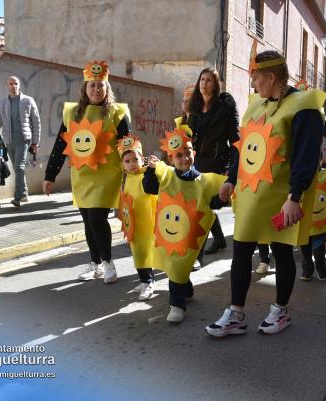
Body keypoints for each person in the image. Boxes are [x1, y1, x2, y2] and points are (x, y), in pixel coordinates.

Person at [205, 46, 326, 337]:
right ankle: (236, 314)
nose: (252, 84)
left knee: (282, 252)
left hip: (283, 198)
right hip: (251, 195)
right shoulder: (256, 104)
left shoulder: (304, 106)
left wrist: (295, 197)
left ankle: (281, 309)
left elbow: (306, 155)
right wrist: (231, 178)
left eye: (255, 77)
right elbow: (245, 148)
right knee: (241, 249)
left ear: (271, 76)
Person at [43, 60, 130, 284]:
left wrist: (134, 173)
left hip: (107, 175)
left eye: (101, 85)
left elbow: (127, 145)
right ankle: (96, 263)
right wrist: (50, 176)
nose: (96, 89)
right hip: (82, 176)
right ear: (85, 88)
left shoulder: (117, 113)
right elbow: (60, 146)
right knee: (87, 222)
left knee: (97, 219)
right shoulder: (72, 113)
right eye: (92, 85)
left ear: (107, 88)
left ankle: (109, 262)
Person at [142, 126, 226, 323]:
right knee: (175, 263)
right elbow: (149, 188)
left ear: (193, 153)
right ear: (171, 159)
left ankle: (182, 296)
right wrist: (150, 170)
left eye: (187, 153)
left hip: (190, 236)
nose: (184, 158)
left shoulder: (205, 181)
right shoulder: (166, 175)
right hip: (170, 233)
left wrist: (219, 199)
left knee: (181, 264)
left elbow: (216, 201)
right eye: (178, 155)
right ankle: (178, 302)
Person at [187, 68, 239, 255]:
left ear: (215, 85)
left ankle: (198, 250)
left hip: (217, 160)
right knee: (204, 201)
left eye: (209, 80)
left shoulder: (225, 107)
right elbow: (189, 135)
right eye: (202, 79)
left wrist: (232, 168)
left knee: (205, 202)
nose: (204, 83)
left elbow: (235, 139)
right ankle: (218, 239)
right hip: (197, 160)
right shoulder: (194, 106)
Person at [118, 135, 164, 301]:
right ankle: (144, 279)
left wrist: (153, 167)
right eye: (127, 161)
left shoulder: (147, 174)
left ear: (142, 159)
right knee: (137, 252)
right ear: (123, 165)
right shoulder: (127, 178)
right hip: (134, 223)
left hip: (147, 222)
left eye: (135, 159)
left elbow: (154, 187)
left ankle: (148, 281)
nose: (131, 164)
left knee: (145, 252)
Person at [0, 75, 41, 207]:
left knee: (19, 167)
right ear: (7, 86)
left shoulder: (28, 101)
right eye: (11, 84)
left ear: (19, 85)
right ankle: (24, 193)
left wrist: (35, 142)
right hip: (8, 140)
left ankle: (17, 197)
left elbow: (36, 122)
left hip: (23, 139)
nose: (14, 86)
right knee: (17, 168)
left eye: (16, 83)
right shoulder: (2, 103)